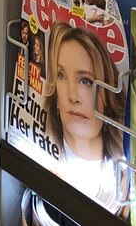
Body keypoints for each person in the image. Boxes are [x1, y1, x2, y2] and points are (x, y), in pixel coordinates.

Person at [43, 22, 129, 216]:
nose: (73, 96)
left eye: (86, 81)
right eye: (61, 75)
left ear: (109, 96)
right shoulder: (43, 155)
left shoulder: (124, 183)